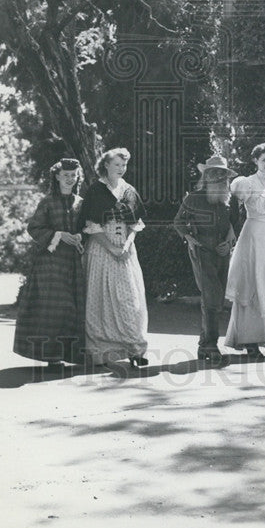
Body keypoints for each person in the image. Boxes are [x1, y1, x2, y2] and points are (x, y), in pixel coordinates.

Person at [79, 147, 149, 368]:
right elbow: (91, 224)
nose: (121, 168)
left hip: (126, 249)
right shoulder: (95, 191)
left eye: (124, 165)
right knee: (101, 298)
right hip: (101, 247)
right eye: (116, 164)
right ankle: (101, 351)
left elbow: (135, 224)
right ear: (106, 165)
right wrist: (110, 247)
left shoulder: (129, 191)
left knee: (130, 298)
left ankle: (136, 350)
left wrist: (126, 245)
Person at [13, 158, 86, 366]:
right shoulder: (47, 202)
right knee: (57, 308)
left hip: (73, 263)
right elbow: (33, 229)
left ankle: (69, 355)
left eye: (73, 175)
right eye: (66, 175)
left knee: (72, 309)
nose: (70, 179)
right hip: (50, 264)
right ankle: (52, 358)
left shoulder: (80, 202)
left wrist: (79, 236)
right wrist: (59, 235)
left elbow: (85, 228)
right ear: (57, 177)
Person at [224, 143, 265, 360]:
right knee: (253, 285)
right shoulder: (246, 183)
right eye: (264, 160)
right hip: (252, 236)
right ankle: (250, 341)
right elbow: (232, 210)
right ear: (255, 161)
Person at [173, 155, 240, 363]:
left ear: (226, 177)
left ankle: (204, 345)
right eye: (213, 173)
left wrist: (229, 242)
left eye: (221, 173)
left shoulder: (231, 200)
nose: (217, 177)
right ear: (206, 175)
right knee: (211, 296)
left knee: (216, 298)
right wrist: (190, 239)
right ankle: (211, 345)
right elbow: (178, 222)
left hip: (223, 251)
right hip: (202, 251)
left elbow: (236, 224)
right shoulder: (193, 198)